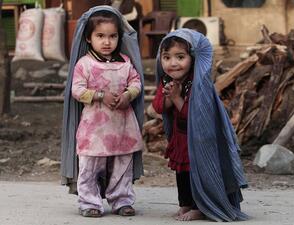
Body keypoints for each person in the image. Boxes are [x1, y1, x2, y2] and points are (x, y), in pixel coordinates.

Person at [152, 28, 249, 222]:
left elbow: (195, 116)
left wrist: (177, 98)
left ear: (194, 58)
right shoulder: (166, 81)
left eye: (180, 57)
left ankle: (200, 207)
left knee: (199, 173)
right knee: (182, 174)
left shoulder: (198, 84)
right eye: (167, 57)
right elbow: (158, 107)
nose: (173, 63)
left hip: (199, 140)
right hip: (181, 139)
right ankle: (185, 204)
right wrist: (169, 98)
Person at [60, 6, 144, 218]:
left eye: (112, 36)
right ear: (88, 38)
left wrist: (128, 95)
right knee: (89, 167)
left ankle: (121, 200)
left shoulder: (125, 62)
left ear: (119, 37)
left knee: (122, 167)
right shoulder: (85, 64)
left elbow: (136, 82)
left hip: (122, 126)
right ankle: (90, 202)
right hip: (94, 130)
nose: (107, 42)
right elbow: (77, 90)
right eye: (100, 36)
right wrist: (99, 95)